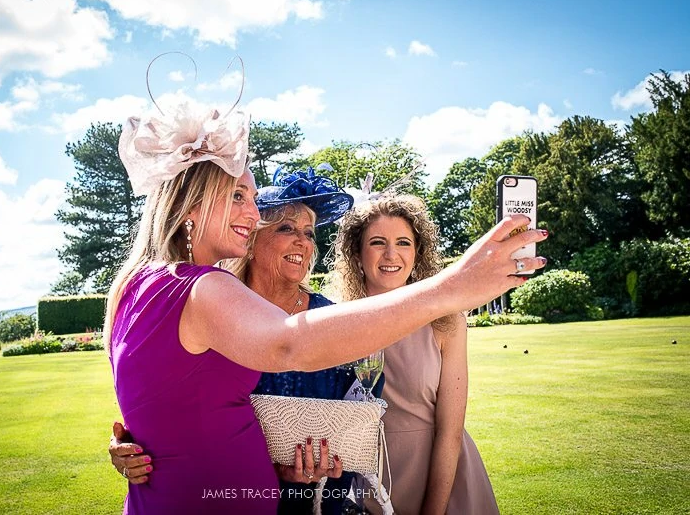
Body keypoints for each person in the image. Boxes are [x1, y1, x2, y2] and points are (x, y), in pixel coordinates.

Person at [107, 101, 547, 513]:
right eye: (239, 197)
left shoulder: (135, 284)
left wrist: (149, 442)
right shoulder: (204, 287)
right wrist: (454, 286)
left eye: (254, 199)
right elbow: (289, 344)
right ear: (192, 204)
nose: (252, 212)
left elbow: (186, 406)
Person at [110, 169, 382, 514]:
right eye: (286, 228)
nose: (302, 240)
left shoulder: (329, 316)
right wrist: (132, 446)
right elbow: (167, 401)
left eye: (309, 233)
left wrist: (322, 462)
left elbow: (362, 401)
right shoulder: (208, 298)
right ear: (253, 239)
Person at [330, 195, 522, 515]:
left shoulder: (447, 322)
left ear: (417, 253)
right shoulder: (333, 321)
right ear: (357, 254)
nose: (392, 254)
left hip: (441, 482)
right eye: (378, 242)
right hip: (359, 483)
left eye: (404, 242)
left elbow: (451, 431)